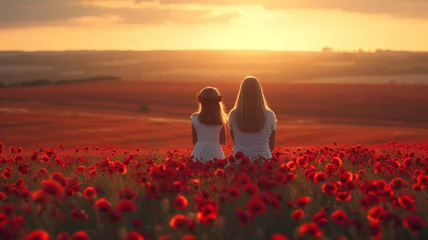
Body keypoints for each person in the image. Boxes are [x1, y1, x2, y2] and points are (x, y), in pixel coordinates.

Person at [229, 76, 277, 161]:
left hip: (239, 162)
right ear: (259, 92)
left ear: (242, 92)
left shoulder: (233, 114)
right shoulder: (270, 115)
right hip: (264, 161)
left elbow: (235, 142)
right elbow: (271, 145)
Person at [191, 87, 228, 162]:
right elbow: (223, 141)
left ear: (201, 102)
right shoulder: (220, 120)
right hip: (216, 152)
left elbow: (194, 140)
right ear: (217, 103)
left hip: (198, 152)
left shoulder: (194, 118)